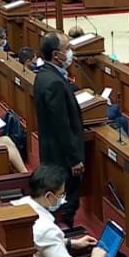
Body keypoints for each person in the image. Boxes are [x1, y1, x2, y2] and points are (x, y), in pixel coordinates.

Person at [34, 32, 86, 227]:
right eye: (67, 49)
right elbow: (61, 125)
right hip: (62, 157)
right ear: (57, 55)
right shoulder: (54, 82)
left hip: (52, 151)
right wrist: (74, 159)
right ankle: (66, 237)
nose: (71, 53)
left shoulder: (44, 75)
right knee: (67, 202)